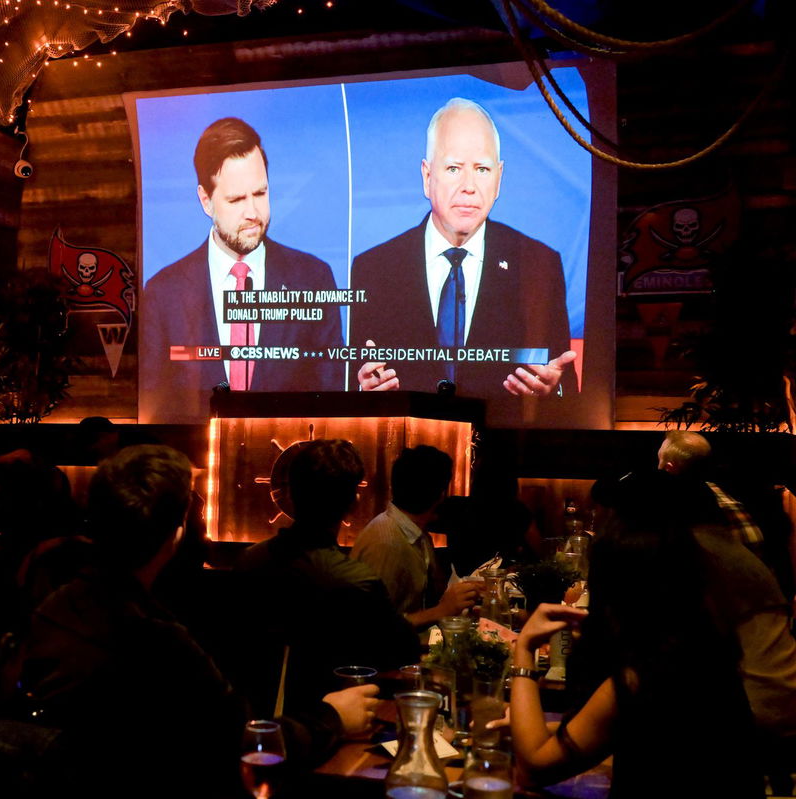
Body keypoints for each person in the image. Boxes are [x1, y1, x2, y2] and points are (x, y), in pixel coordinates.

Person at [17, 445, 378, 798]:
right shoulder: (156, 640)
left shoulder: (54, 607)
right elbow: (245, 743)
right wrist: (334, 716)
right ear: (176, 531)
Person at [509, 472, 764, 797]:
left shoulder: (642, 676)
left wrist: (525, 648)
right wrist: (541, 727)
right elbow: (622, 727)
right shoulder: (701, 649)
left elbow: (533, 767)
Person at [349, 98, 575, 416]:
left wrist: (556, 387)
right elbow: (355, 377)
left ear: (499, 178)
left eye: (481, 169)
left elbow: (565, 380)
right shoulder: (373, 268)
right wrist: (363, 390)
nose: (469, 186)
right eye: (454, 168)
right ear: (427, 176)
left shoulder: (539, 263)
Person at [140, 117, 344, 423]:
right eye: (236, 199)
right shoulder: (163, 292)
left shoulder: (313, 278)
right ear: (206, 201)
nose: (253, 213)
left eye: (260, 194)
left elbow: (327, 399)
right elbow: (156, 408)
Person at [237, 439, 420, 705]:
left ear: (290, 495)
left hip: (254, 725)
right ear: (354, 502)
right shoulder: (356, 582)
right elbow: (403, 652)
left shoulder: (249, 561)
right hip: (334, 723)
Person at [350, 445, 481, 626]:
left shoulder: (415, 533)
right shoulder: (385, 542)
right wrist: (441, 611)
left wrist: (467, 592)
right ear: (441, 494)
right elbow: (370, 627)